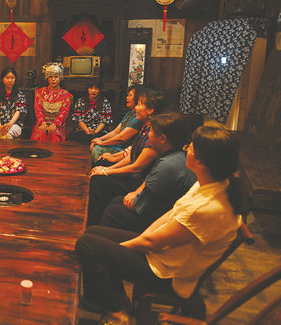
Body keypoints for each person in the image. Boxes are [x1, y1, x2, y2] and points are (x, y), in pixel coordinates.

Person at [75, 125, 246, 325]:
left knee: (87, 245)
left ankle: (116, 315)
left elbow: (152, 243)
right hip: (163, 253)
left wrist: (122, 248)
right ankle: (107, 299)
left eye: (190, 148)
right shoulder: (210, 182)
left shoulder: (209, 207)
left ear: (201, 161)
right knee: (94, 232)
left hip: (168, 273)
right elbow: (169, 215)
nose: (186, 150)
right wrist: (139, 239)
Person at [95, 112, 197, 232]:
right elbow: (148, 179)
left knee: (112, 212)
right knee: (115, 201)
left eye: (151, 132)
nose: (148, 136)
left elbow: (141, 202)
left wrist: (134, 198)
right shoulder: (171, 153)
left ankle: (98, 234)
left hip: (164, 219)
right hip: (159, 204)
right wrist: (136, 192)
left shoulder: (168, 165)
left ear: (163, 139)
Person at [88, 89, 164, 186]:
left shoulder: (154, 134)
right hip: (131, 170)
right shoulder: (145, 126)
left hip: (137, 180)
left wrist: (106, 170)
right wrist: (112, 159)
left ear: (150, 110)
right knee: (101, 162)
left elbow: (136, 167)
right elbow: (132, 153)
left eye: (139, 104)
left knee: (98, 178)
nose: (136, 107)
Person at [90, 85, 143, 166]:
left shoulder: (137, 117)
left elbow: (121, 138)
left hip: (124, 149)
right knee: (95, 145)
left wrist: (102, 143)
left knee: (98, 149)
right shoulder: (129, 113)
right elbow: (115, 132)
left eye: (130, 95)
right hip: (119, 145)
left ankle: (100, 171)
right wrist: (99, 139)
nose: (127, 98)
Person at [30, 62, 73, 142]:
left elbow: (64, 113)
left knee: (55, 135)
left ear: (60, 78)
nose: (53, 79)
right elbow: (38, 110)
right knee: (41, 133)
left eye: (56, 77)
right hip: (42, 124)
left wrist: (55, 124)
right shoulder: (39, 92)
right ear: (47, 78)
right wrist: (42, 123)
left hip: (58, 125)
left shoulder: (66, 95)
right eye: (50, 77)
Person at [0, 67, 27, 139]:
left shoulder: (20, 95)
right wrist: (0, 126)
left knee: (6, 136)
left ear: (15, 79)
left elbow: (18, 112)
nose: (10, 80)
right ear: (3, 79)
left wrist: (9, 125)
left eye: (12, 78)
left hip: (15, 125)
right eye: (7, 78)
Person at [71, 78, 113, 143]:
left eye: (96, 88)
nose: (93, 91)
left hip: (99, 130)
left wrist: (95, 132)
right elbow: (79, 120)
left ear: (100, 89)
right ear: (87, 89)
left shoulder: (105, 102)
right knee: (83, 138)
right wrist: (87, 130)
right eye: (91, 88)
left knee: (101, 137)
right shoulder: (81, 101)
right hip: (84, 130)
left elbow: (104, 121)